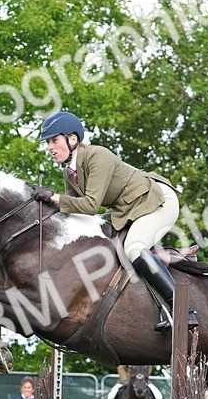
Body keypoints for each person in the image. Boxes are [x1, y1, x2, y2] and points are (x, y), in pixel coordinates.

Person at [33, 111, 198, 332]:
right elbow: (77, 211)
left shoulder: (96, 155)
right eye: (47, 142)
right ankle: (169, 260)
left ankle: (182, 311)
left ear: (72, 139)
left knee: (133, 248)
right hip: (130, 210)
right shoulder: (69, 172)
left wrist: (53, 197)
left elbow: (90, 205)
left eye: (54, 140)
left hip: (157, 201)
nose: (49, 147)